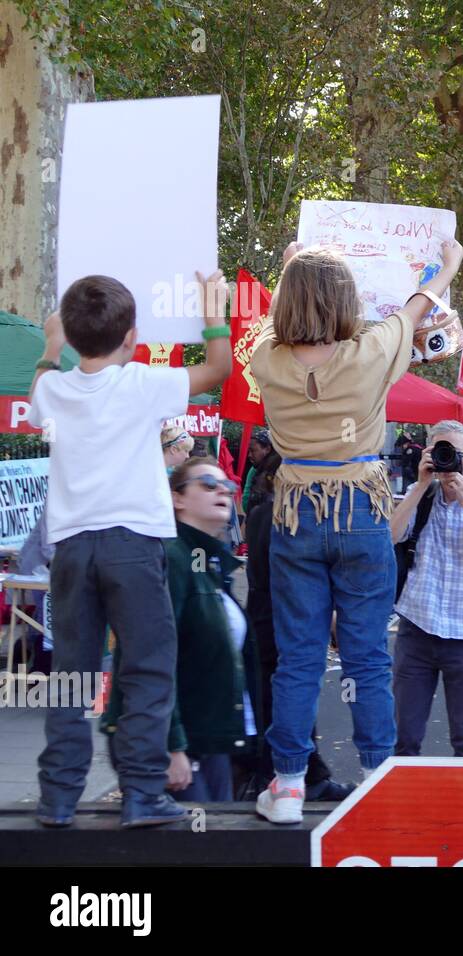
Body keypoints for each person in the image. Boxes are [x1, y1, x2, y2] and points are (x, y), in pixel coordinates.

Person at [249, 239, 462, 824]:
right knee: (368, 656)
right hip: (362, 511)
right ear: (348, 303)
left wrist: (292, 264)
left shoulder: (266, 359)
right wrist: (447, 266)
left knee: (297, 658)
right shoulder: (372, 351)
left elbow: (279, 324)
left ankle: (288, 785)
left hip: (295, 512)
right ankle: (376, 778)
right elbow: (417, 308)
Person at [31, 270, 232, 828]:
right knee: (146, 667)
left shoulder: (56, 389)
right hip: (134, 545)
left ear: (72, 335)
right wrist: (214, 311)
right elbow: (217, 368)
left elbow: (38, 387)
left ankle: (58, 796)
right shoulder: (142, 382)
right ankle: (143, 792)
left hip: (72, 548)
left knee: (72, 672)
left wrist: (51, 347)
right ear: (130, 337)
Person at [103, 457, 258, 802]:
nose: (222, 490)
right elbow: (147, 657)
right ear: (177, 498)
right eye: (207, 483)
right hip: (167, 742)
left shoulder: (211, 563)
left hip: (207, 740)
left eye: (227, 486)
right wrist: (171, 746)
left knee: (216, 845)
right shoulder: (171, 560)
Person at [390, 420, 463, 757]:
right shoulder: (419, 495)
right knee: (405, 739)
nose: (447, 460)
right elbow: (391, 537)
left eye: (454, 454)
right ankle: (404, 807)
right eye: (440, 451)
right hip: (416, 629)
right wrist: (418, 485)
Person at [244, 452, 349, 800]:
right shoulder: (279, 515)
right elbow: (292, 575)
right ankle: (289, 774)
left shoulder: (264, 513)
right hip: (282, 617)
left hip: (270, 615)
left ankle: (298, 772)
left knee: (282, 694)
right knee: (287, 694)